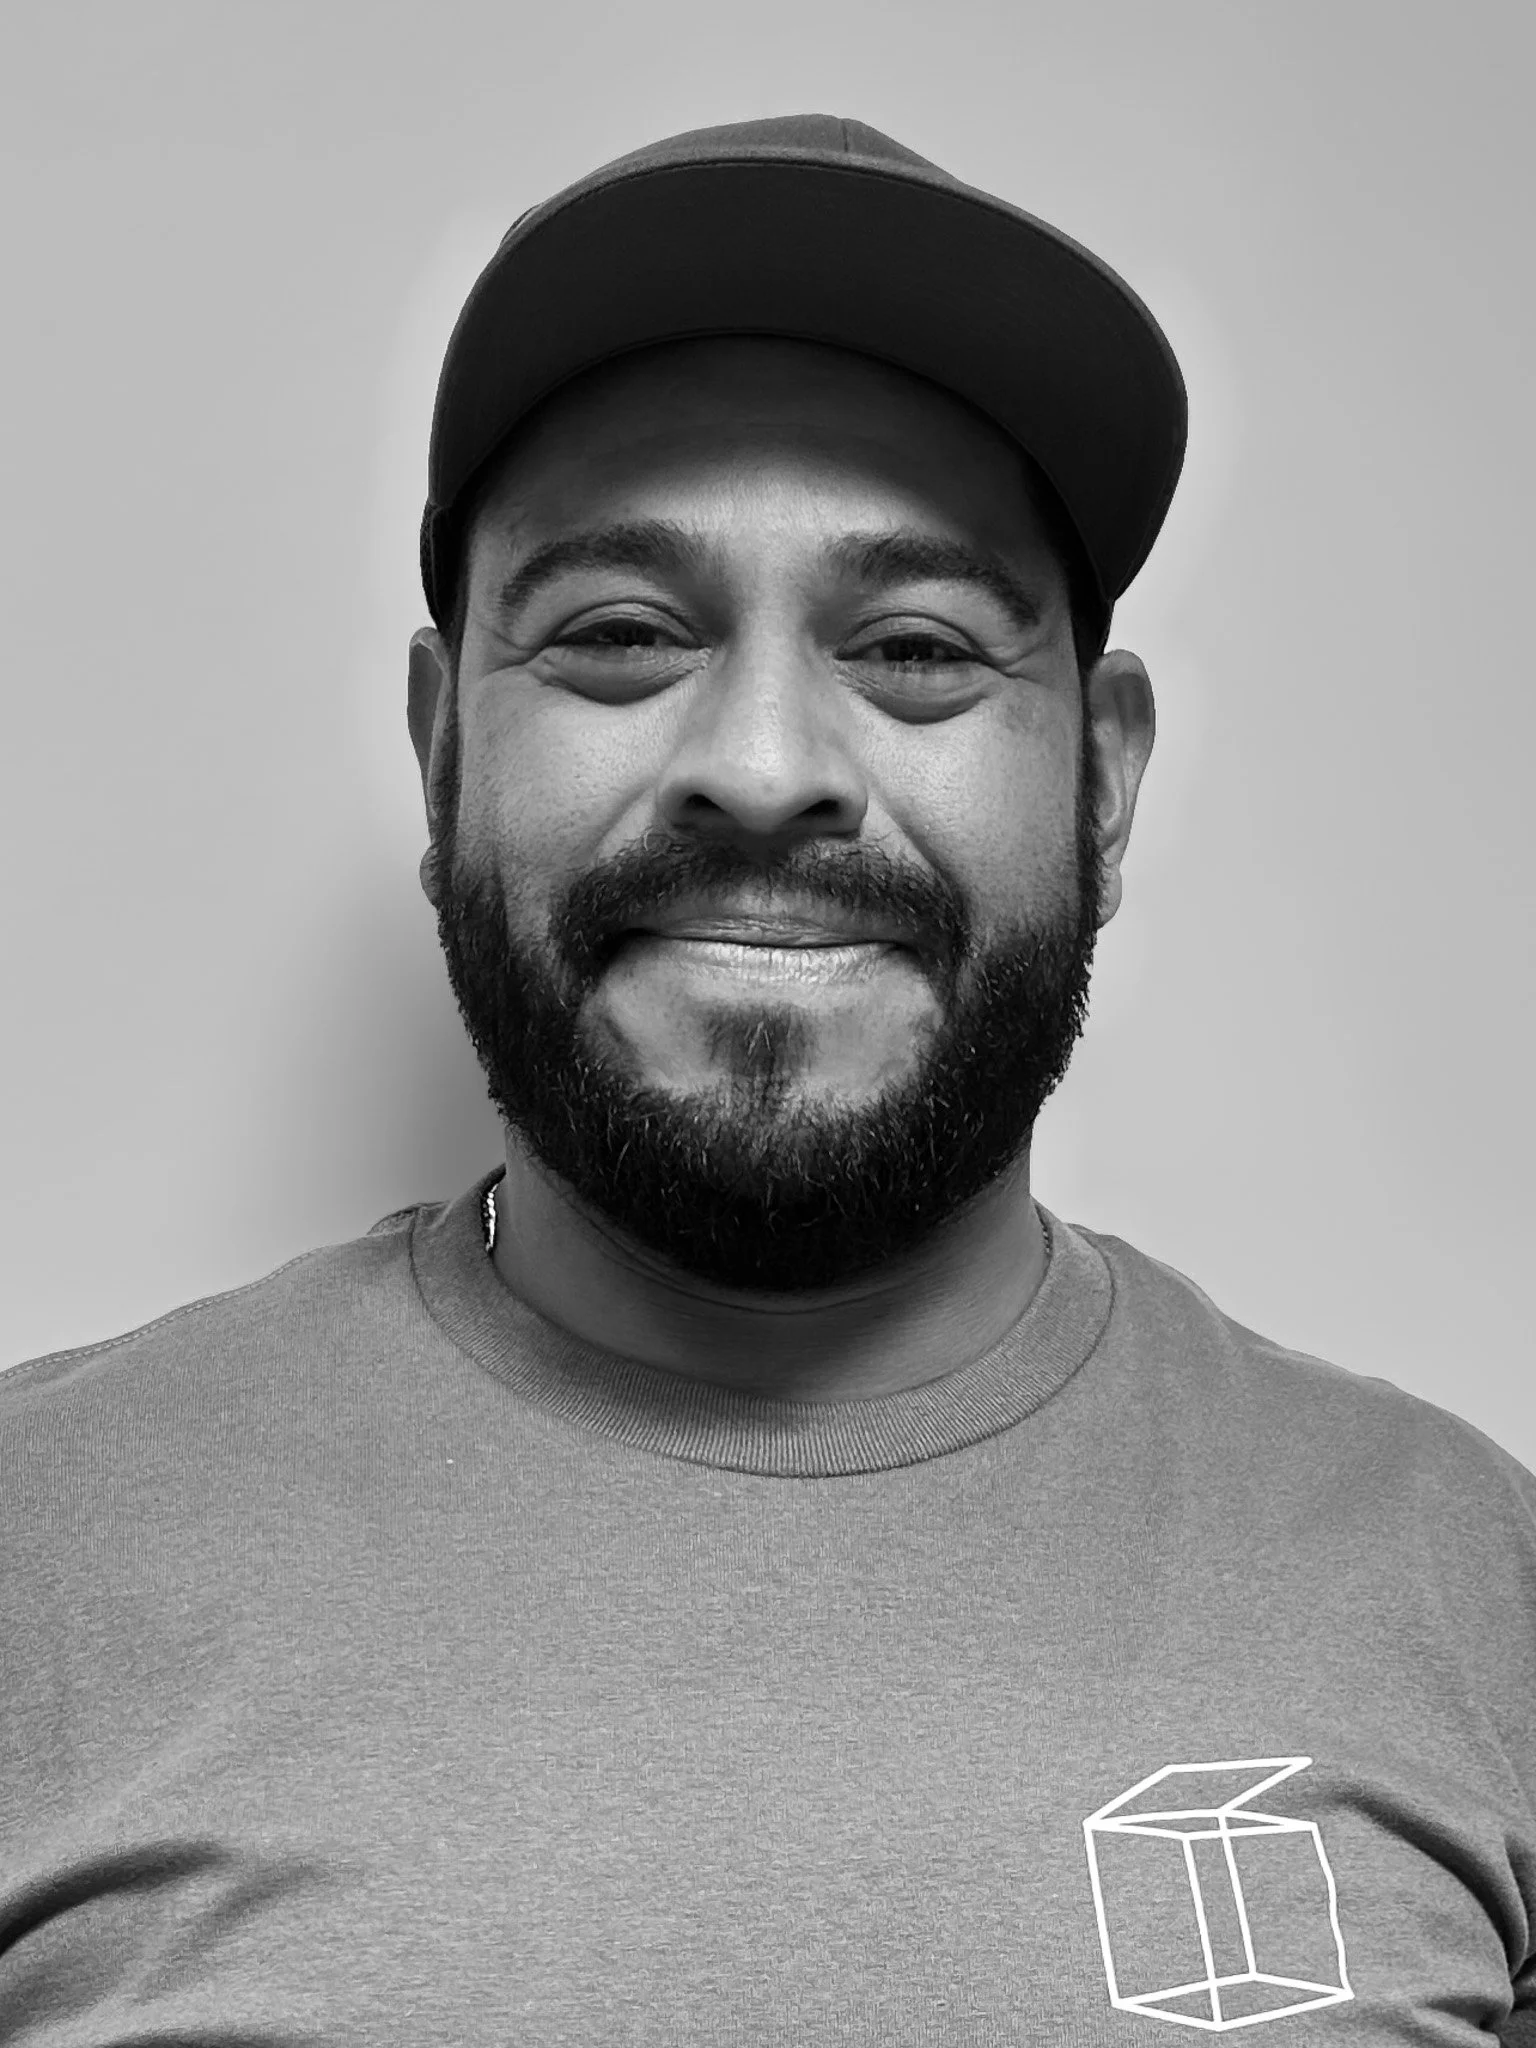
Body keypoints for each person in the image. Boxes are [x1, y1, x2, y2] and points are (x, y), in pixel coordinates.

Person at [2, 113, 1532, 2043]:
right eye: (620, 637)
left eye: (916, 649)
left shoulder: (1468, 1588)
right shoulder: (38, 1551)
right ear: (442, 753)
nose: (764, 764)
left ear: (1104, 777)